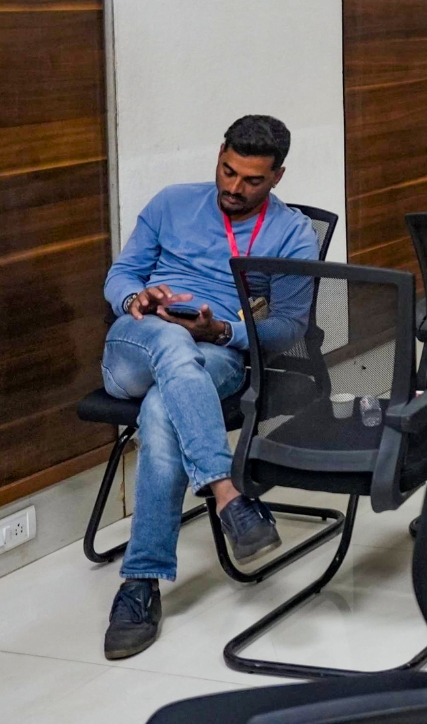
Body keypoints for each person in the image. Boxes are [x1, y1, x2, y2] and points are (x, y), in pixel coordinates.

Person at [99, 115, 320, 660]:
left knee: (160, 410)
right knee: (170, 349)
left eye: (251, 181)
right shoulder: (172, 202)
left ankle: (140, 583)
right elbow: (120, 275)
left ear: (277, 177)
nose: (234, 188)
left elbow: (289, 328)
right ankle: (227, 494)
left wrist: (222, 330)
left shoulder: (291, 233)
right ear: (220, 153)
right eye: (227, 171)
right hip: (135, 346)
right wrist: (138, 301)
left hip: (216, 352)